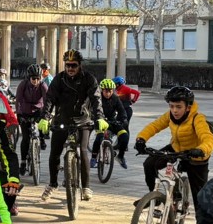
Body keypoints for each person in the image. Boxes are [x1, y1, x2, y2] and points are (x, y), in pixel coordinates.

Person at [38, 49, 104, 202]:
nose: (70, 69)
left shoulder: (89, 79)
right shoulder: (59, 79)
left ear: (80, 65)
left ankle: (86, 187)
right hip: (62, 120)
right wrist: (45, 117)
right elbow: (49, 99)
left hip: (83, 120)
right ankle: (52, 184)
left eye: (73, 65)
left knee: (82, 150)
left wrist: (99, 117)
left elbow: (96, 99)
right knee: (54, 152)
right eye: (67, 65)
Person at [134, 86, 213, 203]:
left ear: (188, 107)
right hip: (176, 148)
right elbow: (154, 126)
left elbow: (208, 137)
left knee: (200, 199)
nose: (174, 110)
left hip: (196, 154)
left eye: (178, 107)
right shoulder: (169, 116)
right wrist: (141, 139)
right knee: (149, 164)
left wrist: (201, 149)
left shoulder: (197, 119)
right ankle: (154, 197)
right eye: (171, 106)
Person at [15, 64, 48, 177]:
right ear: (29, 78)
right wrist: (19, 114)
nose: (36, 81)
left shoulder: (43, 85)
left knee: (43, 124)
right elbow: (18, 100)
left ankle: (42, 138)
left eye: (38, 78)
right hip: (25, 111)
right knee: (25, 137)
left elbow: (47, 101)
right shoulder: (23, 85)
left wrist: (45, 115)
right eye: (33, 78)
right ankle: (23, 162)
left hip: (38, 110)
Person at [93, 78, 131, 169]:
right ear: (102, 90)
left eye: (110, 91)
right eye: (106, 91)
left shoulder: (115, 98)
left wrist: (124, 119)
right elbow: (93, 110)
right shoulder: (97, 98)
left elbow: (121, 110)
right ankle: (93, 158)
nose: (108, 93)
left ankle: (120, 156)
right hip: (100, 120)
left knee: (125, 136)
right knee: (99, 136)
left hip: (111, 121)